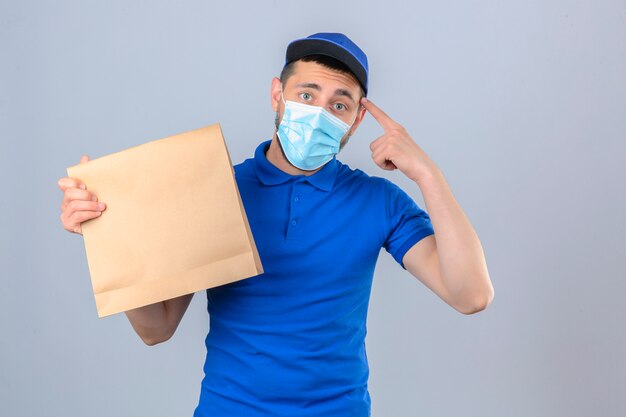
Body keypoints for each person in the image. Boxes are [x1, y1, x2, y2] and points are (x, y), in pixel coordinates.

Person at [57, 33, 494, 417]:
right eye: (307, 95)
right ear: (276, 95)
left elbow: (471, 295)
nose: (320, 113)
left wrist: (427, 174)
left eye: (339, 104)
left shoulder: (379, 201)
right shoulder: (215, 188)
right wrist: (111, 231)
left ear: (356, 120)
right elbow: (156, 328)